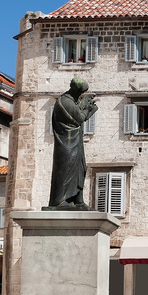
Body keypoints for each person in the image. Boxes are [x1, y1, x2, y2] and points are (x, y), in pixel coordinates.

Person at [46, 77, 98, 209]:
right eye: (81, 93)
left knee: (81, 169)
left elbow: (78, 115)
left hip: (75, 141)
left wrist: (87, 106)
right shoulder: (65, 101)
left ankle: (78, 200)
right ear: (76, 91)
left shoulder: (72, 101)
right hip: (66, 144)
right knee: (66, 170)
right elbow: (79, 118)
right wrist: (88, 108)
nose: (81, 95)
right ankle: (60, 201)